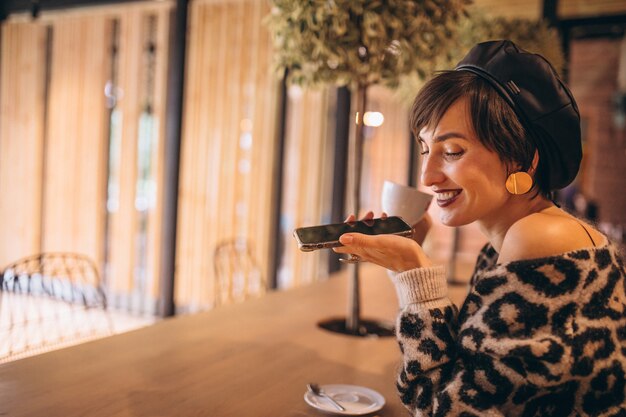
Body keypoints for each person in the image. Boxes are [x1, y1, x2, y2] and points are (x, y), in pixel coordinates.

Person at [334, 40, 626, 416]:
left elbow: (444, 406)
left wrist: (414, 273)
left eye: (452, 151)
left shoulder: (537, 238)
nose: (428, 175)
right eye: (426, 149)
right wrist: (408, 257)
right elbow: (470, 362)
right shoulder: (508, 239)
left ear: (521, 157)